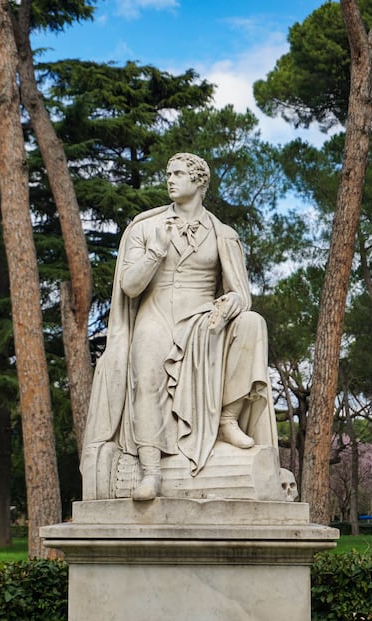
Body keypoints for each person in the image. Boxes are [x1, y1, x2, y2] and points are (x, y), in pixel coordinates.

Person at [81, 153, 278, 501]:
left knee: (252, 323)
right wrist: (155, 251)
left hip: (203, 319)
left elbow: (239, 293)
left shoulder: (223, 234)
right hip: (155, 316)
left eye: (178, 174)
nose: (169, 180)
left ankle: (227, 421)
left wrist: (232, 302)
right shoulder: (145, 228)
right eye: (167, 173)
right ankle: (151, 471)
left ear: (199, 181)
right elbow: (129, 286)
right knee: (146, 376)